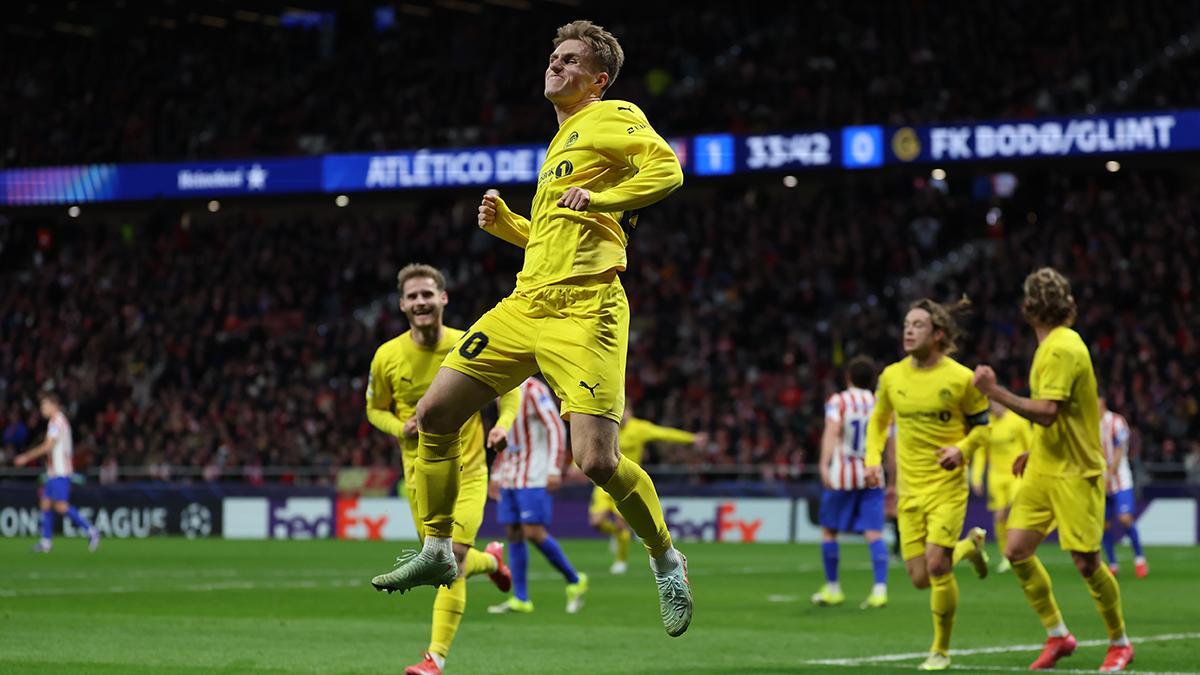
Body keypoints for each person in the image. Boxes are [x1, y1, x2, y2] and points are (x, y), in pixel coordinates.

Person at [370, 20, 693, 637]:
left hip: (586, 310)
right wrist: (513, 227)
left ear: (597, 80)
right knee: (436, 413)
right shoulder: (561, 141)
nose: (556, 65)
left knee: (596, 461)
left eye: (570, 60)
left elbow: (668, 171)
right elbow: (559, 236)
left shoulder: (610, 115)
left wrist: (601, 200)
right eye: (554, 56)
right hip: (524, 304)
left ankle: (665, 557)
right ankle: (439, 548)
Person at [973, 267, 1133, 671]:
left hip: (1076, 470)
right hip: (1047, 465)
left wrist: (993, 392)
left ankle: (1120, 642)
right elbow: (1054, 416)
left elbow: (1046, 412)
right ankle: (1058, 635)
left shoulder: (1061, 348)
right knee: (1016, 550)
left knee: (1086, 563)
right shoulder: (1052, 346)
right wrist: (1035, 450)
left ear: (1028, 308)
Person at [365, 264, 519, 675]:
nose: (420, 302)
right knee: (448, 563)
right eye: (413, 297)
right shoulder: (387, 356)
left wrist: (502, 424)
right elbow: (373, 409)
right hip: (420, 477)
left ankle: (435, 659)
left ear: (443, 298)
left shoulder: (469, 343)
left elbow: (511, 385)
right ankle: (494, 563)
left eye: (427, 294)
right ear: (402, 305)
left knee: (453, 559)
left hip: (468, 471)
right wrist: (401, 428)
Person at [864, 298, 991, 672]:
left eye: (918, 324)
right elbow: (878, 422)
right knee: (919, 578)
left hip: (948, 486)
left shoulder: (961, 378)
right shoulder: (891, 377)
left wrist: (962, 448)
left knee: (937, 566)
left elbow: (984, 428)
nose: (908, 330)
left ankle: (941, 649)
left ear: (938, 334)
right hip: (909, 490)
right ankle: (970, 547)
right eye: (906, 323)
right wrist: (873, 462)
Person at [487, 376, 588, 615]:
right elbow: (505, 435)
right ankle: (521, 598)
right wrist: (496, 472)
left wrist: (555, 467)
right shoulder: (499, 389)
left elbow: (555, 426)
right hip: (510, 473)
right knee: (513, 532)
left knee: (532, 531)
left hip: (535, 473)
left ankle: (574, 580)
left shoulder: (533, 389)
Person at [811, 356, 892, 610]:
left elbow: (833, 431)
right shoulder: (880, 402)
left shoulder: (839, 400)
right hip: (872, 474)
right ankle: (880, 590)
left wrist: (824, 464)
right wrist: (894, 478)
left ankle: (833, 588)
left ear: (848, 378)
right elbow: (890, 444)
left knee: (829, 530)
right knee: (874, 533)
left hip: (843, 475)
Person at [590, 403, 707, 574]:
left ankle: (620, 562)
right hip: (602, 483)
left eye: (626, 411)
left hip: (624, 483)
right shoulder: (606, 426)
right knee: (596, 522)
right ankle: (617, 536)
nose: (623, 415)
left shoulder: (639, 428)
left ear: (630, 412)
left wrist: (692, 439)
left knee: (622, 523)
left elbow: (665, 433)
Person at [14, 392, 100, 553]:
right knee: (45, 503)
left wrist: (26, 457)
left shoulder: (57, 422)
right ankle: (46, 542)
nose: (42, 409)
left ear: (54, 405)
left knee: (61, 506)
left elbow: (48, 446)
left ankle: (91, 531)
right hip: (53, 472)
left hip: (61, 472)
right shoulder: (57, 421)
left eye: (45, 405)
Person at [969, 400, 1032, 574]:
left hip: (1016, 475)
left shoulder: (1018, 421)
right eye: (991, 404)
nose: (994, 407)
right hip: (996, 477)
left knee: (1012, 511)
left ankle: (1019, 550)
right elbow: (981, 453)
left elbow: (1032, 446)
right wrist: (976, 478)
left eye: (996, 404)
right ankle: (1007, 555)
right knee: (999, 517)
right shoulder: (987, 424)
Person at [1098, 396, 1146, 578]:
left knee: (1125, 518)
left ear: (1102, 401)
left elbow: (1119, 450)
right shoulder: (1088, 424)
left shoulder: (1117, 421)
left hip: (1120, 480)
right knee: (1104, 524)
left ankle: (1139, 559)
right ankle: (1112, 563)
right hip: (1099, 479)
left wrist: (1109, 475)